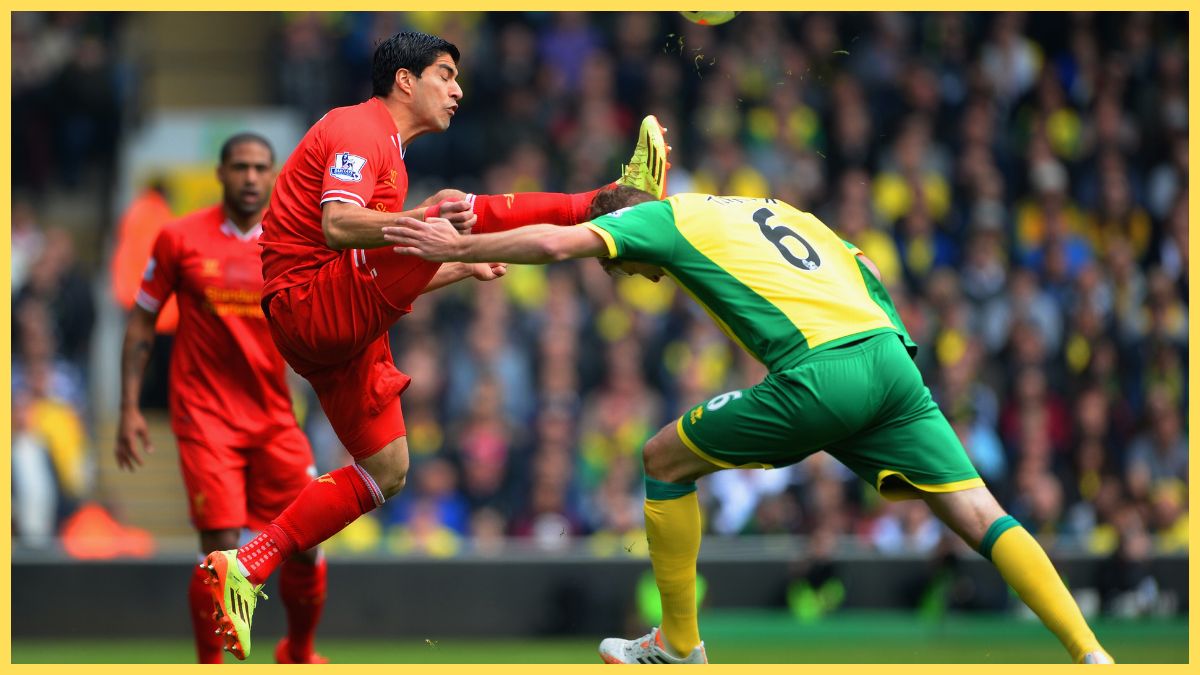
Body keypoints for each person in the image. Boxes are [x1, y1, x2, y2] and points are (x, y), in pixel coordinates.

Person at [384, 186, 1116, 665]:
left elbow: (552, 246)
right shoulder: (779, 209)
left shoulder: (660, 220)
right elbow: (865, 265)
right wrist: (887, 348)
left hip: (821, 372)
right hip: (891, 360)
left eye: (625, 264)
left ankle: (679, 644)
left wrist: (460, 248)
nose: (635, 275)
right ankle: (1092, 654)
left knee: (662, 459)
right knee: (981, 512)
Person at [199, 31, 670, 660]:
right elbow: (338, 225)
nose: (457, 90)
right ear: (405, 80)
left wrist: (458, 264)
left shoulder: (392, 158)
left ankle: (248, 564)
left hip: (336, 328)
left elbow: (387, 262)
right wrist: (430, 227)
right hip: (309, 303)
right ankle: (609, 202)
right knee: (452, 209)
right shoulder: (359, 129)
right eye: (445, 75)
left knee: (388, 469)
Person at [116, 133, 329, 664]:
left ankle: (298, 652)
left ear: (274, 175)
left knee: (308, 541)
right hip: (205, 416)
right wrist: (128, 407)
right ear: (220, 173)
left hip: (274, 416)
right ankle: (210, 666)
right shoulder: (179, 238)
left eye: (260, 168)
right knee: (221, 550)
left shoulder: (294, 240)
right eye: (240, 167)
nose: (250, 178)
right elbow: (142, 321)